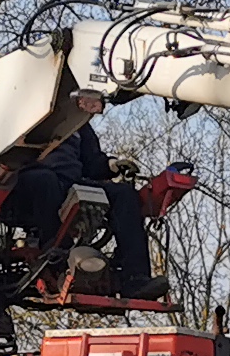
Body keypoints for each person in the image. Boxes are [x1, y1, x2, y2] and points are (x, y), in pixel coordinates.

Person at [9, 120, 161, 297]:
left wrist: (111, 165)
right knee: (45, 180)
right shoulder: (21, 110)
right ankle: (60, 264)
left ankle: (135, 278)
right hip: (23, 182)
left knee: (124, 194)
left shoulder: (76, 118)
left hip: (69, 181)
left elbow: (92, 161)